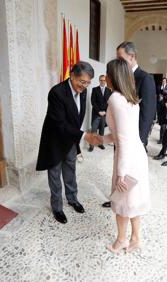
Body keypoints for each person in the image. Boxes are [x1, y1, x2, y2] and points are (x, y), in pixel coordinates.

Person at [87, 58, 150, 253]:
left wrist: (121, 173)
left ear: (113, 77)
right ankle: (136, 238)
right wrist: (102, 140)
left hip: (127, 159)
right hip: (136, 154)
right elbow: (125, 134)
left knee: (122, 203)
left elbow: (123, 139)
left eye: (107, 73)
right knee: (132, 202)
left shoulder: (115, 99)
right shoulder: (131, 98)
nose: (105, 76)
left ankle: (122, 240)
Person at [36, 61, 97, 224]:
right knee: (55, 174)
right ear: (72, 76)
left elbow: (77, 118)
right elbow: (59, 124)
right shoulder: (57, 93)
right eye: (82, 82)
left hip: (70, 140)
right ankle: (57, 207)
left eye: (88, 83)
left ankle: (72, 198)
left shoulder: (83, 92)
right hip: (55, 140)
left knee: (70, 169)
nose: (84, 86)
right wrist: (84, 136)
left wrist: (77, 138)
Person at [102, 41, 156, 209]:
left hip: (132, 139)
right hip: (122, 137)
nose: (117, 61)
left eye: (120, 57)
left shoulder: (144, 78)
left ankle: (124, 205)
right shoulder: (118, 77)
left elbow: (147, 112)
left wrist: (139, 140)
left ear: (132, 57)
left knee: (129, 177)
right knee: (120, 171)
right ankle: (118, 198)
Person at [89, 75, 112, 152]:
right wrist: (99, 111)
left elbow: (109, 103)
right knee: (94, 130)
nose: (103, 82)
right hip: (96, 113)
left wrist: (105, 111)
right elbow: (93, 102)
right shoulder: (95, 89)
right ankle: (91, 145)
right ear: (99, 81)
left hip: (104, 114)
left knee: (102, 130)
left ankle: (100, 143)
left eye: (104, 80)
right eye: (101, 80)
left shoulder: (109, 90)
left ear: (106, 81)